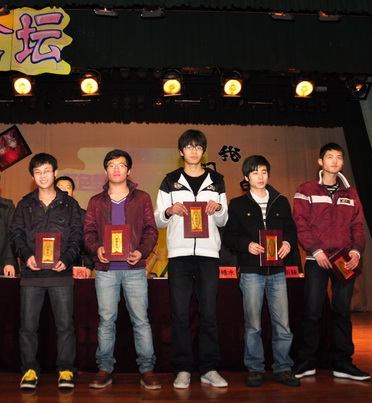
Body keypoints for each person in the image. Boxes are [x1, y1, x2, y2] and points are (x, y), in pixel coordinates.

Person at [154, 129, 229, 389]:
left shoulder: (216, 180)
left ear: (203, 151)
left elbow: (224, 220)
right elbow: (158, 220)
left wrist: (218, 209)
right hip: (179, 255)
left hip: (208, 255)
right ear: (181, 152)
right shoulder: (170, 180)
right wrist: (168, 210)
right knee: (179, 314)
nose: (194, 151)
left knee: (209, 313)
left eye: (198, 147)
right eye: (189, 146)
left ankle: (209, 368)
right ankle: (183, 368)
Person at [84, 149, 161, 390]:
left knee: (141, 321)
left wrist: (142, 251)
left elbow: (151, 230)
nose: (116, 169)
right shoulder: (96, 201)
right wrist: (96, 248)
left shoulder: (142, 198)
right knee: (106, 321)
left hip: (134, 269)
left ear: (129, 170)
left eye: (121, 165)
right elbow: (88, 233)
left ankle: (147, 369)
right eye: (111, 165)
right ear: (105, 170)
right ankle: (104, 368)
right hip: (105, 270)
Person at [292, 142, 369, 381]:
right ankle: (307, 361)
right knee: (312, 312)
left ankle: (343, 363)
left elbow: (358, 226)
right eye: (329, 157)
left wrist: (356, 251)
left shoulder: (351, 193)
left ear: (342, 162)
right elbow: (300, 225)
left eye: (339, 157)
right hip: (317, 259)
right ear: (320, 161)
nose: (335, 161)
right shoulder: (306, 190)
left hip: (344, 260)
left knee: (342, 312)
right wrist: (316, 251)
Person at [221, 155, 300, 387]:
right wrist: (246, 245)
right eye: (255, 172)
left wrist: (288, 243)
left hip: (277, 272)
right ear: (246, 177)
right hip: (251, 271)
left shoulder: (281, 201)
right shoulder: (237, 204)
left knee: (283, 325)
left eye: (264, 172)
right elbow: (229, 236)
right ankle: (255, 368)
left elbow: (292, 230)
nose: (260, 176)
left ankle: (283, 367)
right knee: (253, 325)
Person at [10, 153, 83, 390]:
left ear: (55, 173)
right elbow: (16, 234)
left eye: (47, 171)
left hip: (61, 274)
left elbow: (77, 235)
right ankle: (29, 370)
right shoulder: (24, 204)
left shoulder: (69, 204)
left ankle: (66, 370)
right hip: (31, 275)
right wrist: (26, 256)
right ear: (33, 176)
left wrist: (67, 259)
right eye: (38, 172)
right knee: (28, 327)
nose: (42, 176)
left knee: (65, 326)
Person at [56, 176, 93, 277]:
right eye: (60, 187)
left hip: (76, 265)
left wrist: (88, 266)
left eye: (68, 187)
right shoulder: (48, 214)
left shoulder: (83, 215)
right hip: (51, 265)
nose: (64, 190)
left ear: (73, 192)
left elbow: (88, 242)